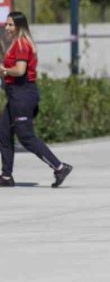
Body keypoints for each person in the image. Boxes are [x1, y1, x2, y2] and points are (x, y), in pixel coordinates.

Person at [0, 12, 73, 188]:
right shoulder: (15, 44)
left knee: (26, 137)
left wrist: (3, 69)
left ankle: (59, 167)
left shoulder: (22, 45)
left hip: (23, 95)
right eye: (7, 25)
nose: (7, 28)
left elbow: (20, 70)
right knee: (3, 132)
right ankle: (6, 176)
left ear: (19, 26)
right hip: (15, 95)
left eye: (11, 25)